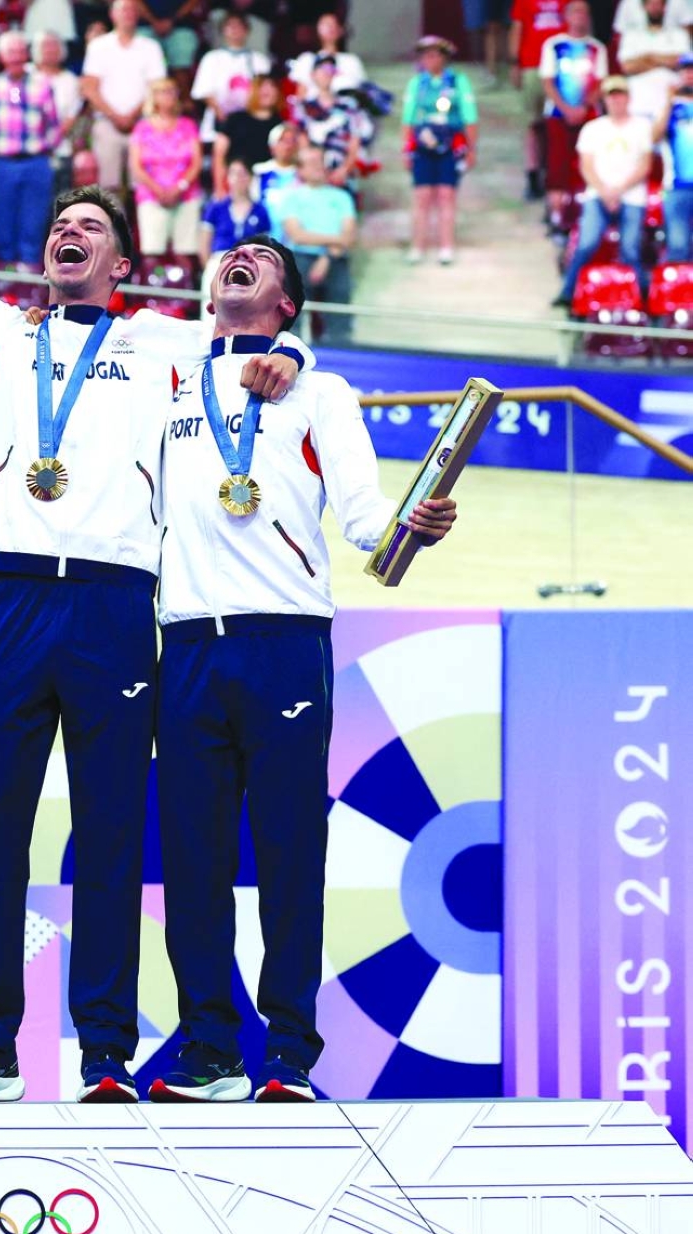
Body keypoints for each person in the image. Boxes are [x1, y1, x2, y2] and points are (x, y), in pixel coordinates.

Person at [0, 87, 308, 1107]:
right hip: (9, 609)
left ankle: (105, 1055)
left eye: (92, 227)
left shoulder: (162, 343)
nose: (70, 232)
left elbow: (259, 348)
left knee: (113, 835)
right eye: (61, 225)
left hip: (117, 614)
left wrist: (287, 356)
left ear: (125, 263)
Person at [148, 233, 457, 1103]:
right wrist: (281, 347)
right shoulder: (171, 371)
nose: (235, 258)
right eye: (229, 254)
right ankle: (208, 1050)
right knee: (194, 862)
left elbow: (363, 518)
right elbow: (103, 332)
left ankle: (288, 1053)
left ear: (287, 302)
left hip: (285, 642)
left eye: (260, 257)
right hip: (188, 644)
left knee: (289, 855)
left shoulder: (320, 391)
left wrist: (411, 526)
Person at [553, 75, 653, 304]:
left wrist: (619, 190)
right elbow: (586, 166)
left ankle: (642, 295)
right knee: (586, 243)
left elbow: (644, 165)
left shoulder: (641, 127)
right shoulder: (593, 129)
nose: (616, 100)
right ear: (605, 100)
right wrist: (605, 191)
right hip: (598, 195)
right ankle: (567, 292)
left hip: (632, 196)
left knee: (630, 248)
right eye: (612, 95)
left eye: (620, 95)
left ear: (628, 98)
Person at [0, 30, 62, 270]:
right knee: (3, 226)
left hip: (36, 163)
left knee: (33, 227)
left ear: (26, 54)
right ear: (2, 56)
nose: (15, 56)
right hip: (1, 165)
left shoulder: (43, 85)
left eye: (19, 51)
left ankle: (28, 287)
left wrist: (43, 151)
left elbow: (54, 126)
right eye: (10, 52)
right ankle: (7, 286)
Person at [401, 35, 478, 265]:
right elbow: (408, 119)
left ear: (444, 58)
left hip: (450, 145)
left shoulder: (458, 81)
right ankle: (418, 246)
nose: (429, 59)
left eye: (434, 54)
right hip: (423, 146)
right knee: (422, 197)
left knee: (447, 196)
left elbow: (470, 117)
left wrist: (471, 149)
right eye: (425, 55)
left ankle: (446, 246)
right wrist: (406, 150)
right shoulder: (417, 83)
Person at [80, 0, 167, 193]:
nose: (128, 14)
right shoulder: (98, 46)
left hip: (143, 123)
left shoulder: (151, 47)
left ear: (138, 15)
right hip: (106, 122)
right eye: (123, 9)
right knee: (108, 187)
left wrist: (133, 116)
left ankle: (138, 225)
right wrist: (115, 116)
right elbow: (90, 88)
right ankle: (111, 224)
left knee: (144, 186)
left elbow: (157, 87)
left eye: (132, 10)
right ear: (112, 14)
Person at [539, 0, 607, 233]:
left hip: (588, 117)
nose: (580, 16)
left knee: (587, 165)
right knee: (557, 166)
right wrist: (567, 109)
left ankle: (584, 216)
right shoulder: (553, 45)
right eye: (575, 11)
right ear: (566, 16)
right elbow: (547, 82)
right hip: (558, 115)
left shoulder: (597, 48)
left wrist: (582, 108)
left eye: (584, 12)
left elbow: (600, 84)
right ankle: (556, 217)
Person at [280, 142, 356, 345]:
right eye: (312, 163)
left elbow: (349, 236)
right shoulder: (291, 197)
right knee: (291, 312)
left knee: (340, 310)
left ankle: (343, 353)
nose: (318, 166)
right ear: (300, 169)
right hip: (300, 259)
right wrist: (335, 240)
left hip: (336, 259)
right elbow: (297, 235)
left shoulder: (342, 196)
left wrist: (326, 258)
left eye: (320, 161)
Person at [128, 75, 201, 275]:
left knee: (184, 252)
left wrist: (180, 187)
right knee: (152, 252)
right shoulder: (142, 128)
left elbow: (196, 162)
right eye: (163, 91)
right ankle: (154, 293)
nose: (169, 95)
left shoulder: (188, 125)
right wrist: (158, 189)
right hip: (152, 194)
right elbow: (136, 165)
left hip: (185, 195)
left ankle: (183, 297)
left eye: (172, 91)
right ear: (154, 97)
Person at [199, 154, 270, 316]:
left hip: (250, 265)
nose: (238, 179)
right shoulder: (216, 208)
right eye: (233, 173)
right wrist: (211, 268)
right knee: (212, 312)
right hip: (219, 261)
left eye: (243, 174)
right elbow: (204, 242)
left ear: (251, 178)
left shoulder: (260, 211)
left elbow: (265, 245)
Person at [190, 9, 270, 153]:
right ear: (223, 30)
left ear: (247, 30)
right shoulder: (212, 58)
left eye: (239, 26)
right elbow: (203, 91)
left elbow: (265, 91)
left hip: (251, 121)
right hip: (220, 121)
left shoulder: (259, 60)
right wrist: (222, 115)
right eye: (230, 26)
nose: (235, 30)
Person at [509, 0, 566, 199]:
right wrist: (515, 61)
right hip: (532, 63)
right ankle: (533, 174)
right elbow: (518, 27)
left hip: (563, 65)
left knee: (556, 123)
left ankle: (553, 171)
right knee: (533, 123)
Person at [294, 51, 371, 189]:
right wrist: (314, 171)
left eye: (330, 69)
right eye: (321, 69)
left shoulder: (349, 106)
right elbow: (302, 143)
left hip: (343, 176)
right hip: (313, 178)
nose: (326, 73)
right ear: (313, 74)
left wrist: (344, 170)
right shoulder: (303, 108)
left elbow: (355, 141)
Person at [210, 72, 284, 198]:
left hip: (269, 185)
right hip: (237, 182)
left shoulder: (281, 124)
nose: (267, 91)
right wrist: (219, 188)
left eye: (271, 87)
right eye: (262, 87)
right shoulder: (235, 120)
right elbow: (219, 156)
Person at [618, 0, 691, 122]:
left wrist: (649, 57)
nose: (655, 8)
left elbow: (681, 61)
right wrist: (664, 61)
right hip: (639, 100)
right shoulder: (631, 36)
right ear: (644, 7)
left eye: (659, 4)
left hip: (672, 101)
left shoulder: (679, 35)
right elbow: (627, 66)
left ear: (665, 7)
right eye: (651, 4)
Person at [31, 30, 84, 196]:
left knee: (59, 201)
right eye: (45, 46)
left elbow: (71, 117)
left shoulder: (71, 80)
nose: (50, 50)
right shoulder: (27, 75)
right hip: (30, 150)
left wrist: (51, 143)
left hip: (61, 149)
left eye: (54, 46)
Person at [652, 50, 693, 258]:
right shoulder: (671, 108)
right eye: (685, 70)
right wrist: (669, 101)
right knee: (678, 245)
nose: (689, 74)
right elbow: (654, 137)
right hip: (676, 188)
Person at [288, 10, 364, 99]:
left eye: (335, 24)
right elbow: (301, 93)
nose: (332, 27)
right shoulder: (307, 59)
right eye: (326, 24)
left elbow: (361, 91)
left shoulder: (352, 61)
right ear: (317, 29)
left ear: (341, 30)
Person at [252, 119, 300, 239]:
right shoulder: (260, 171)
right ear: (272, 146)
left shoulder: (303, 173)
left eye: (292, 141)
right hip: (266, 234)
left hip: (297, 234)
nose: (288, 145)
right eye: (283, 141)